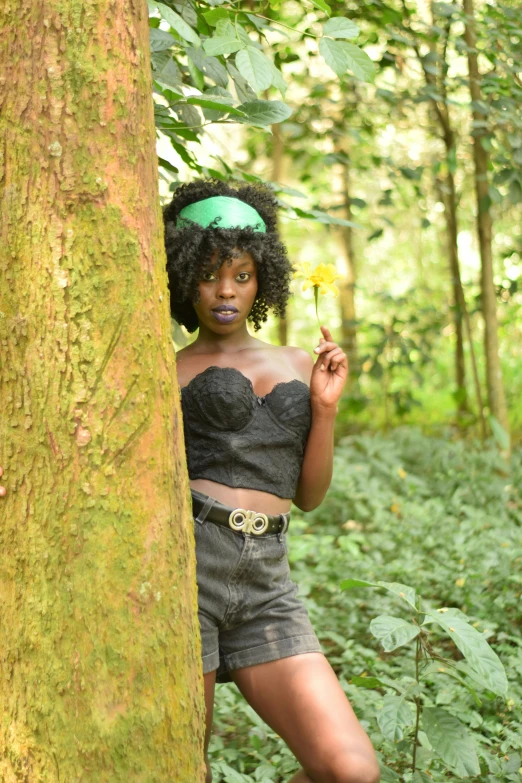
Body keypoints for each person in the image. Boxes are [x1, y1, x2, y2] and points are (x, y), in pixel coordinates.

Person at [0, 179, 380, 783]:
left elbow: (308, 498)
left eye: (241, 274)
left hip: (268, 581)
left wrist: (326, 408)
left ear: (262, 280)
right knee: (186, 766)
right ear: (184, 279)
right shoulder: (164, 369)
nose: (225, 290)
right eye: (208, 274)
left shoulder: (296, 363)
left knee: (350, 770)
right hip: (186, 575)